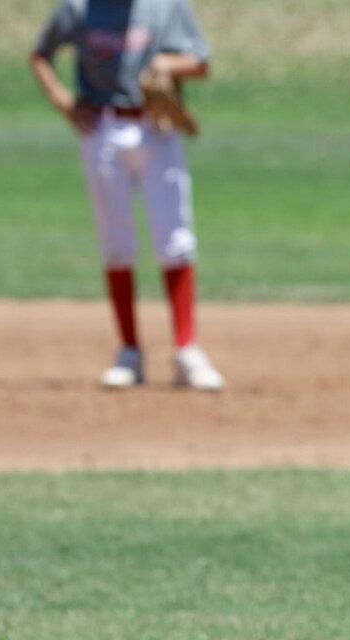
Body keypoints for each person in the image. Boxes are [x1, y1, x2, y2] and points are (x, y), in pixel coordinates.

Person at [29, 0, 225, 391]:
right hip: (102, 128)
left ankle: (187, 350)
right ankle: (129, 353)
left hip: (156, 128)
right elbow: (40, 54)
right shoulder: (79, 8)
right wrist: (65, 103)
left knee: (176, 238)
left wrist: (169, 66)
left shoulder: (165, 6)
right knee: (117, 241)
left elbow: (202, 63)